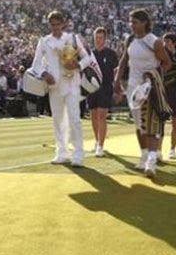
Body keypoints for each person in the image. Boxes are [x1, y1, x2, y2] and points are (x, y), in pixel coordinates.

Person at [113, 9, 172, 177]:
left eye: (135, 22)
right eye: (131, 22)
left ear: (145, 23)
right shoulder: (129, 39)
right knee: (139, 125)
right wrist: (117, 82)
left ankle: (151, 161)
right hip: (133, 87)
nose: (132, 25)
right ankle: (144, 155)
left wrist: (153, 75)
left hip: (150, 88)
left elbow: (167, 63)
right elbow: (124, 60)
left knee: (151, 124)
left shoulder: (154, 42)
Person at [29, 10, 92, 167]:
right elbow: (35, 64)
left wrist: (77, 65)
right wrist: (44, 73)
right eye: (52, 24)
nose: (55, 27)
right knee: (58, 120)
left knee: (74, 119)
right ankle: (61, 152)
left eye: (58, 24)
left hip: (72, 83)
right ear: (49, 25)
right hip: (54, 85)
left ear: (63, 24)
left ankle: (78, 154)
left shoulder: (72, 38)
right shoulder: (44, 41)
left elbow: (87, 58)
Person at [87, 27, 119, 158]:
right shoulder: (89, 54)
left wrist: (117, 88)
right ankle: (97, 140)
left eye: (101, 38)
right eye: (96, 38)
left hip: (105, 88)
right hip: (91, 89)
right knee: (93, 116)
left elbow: (116, 71)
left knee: (101, 116)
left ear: (105, 39)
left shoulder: (111, 54)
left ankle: (100, 145)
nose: (98, 40)